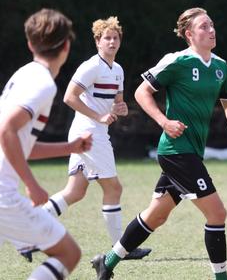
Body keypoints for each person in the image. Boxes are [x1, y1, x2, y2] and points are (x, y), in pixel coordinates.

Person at [91, 7, 227, 280]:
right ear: (189, 34)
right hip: (176, 152)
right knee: (217, 213)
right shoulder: (176, 62)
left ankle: (106, 262)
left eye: (212, 24)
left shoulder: (221, 67)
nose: (211, 30)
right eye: (204, 26)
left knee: (156, 216)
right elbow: (142, 92)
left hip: (191, 153)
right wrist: (164, 122)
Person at [22, 16, 149, 261]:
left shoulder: (118, 70)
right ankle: (120, 248)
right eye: (107, 38)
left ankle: (29, 232)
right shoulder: (91, 66)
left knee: (76, 191)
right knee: (114, 188)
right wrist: (99, 117)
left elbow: (118, 104)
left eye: (115, 38)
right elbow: (70, 97)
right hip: (88, 132)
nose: (112, 42)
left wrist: (120, 110)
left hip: (94, 131)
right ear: (98, 42)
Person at [0, 8, 93, 279]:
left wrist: (69, 147)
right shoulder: (43, 83)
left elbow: (16, 141)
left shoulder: (24, 74)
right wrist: (32, 185)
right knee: (69, 254)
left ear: (30, 44)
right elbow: (6, 131)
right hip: (3, 197)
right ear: (66, 45)